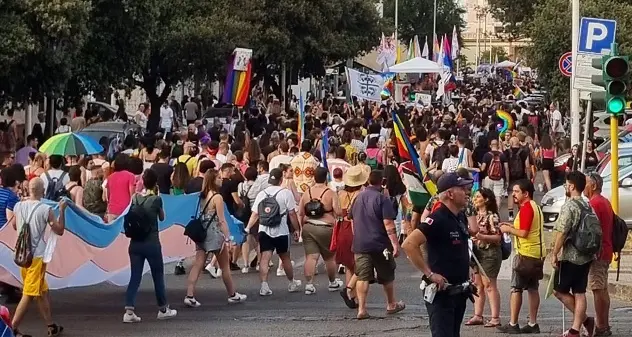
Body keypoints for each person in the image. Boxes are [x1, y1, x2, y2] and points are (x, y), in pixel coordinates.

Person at [402, 172, 473, 337]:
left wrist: (469, 268)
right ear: (450, 194)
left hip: (459, 292)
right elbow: (409, 244)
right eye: (462, 188)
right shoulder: (437, 218)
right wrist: (430, 274)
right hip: (442, 295)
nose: (467, 191)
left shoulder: (460, 216)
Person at [8, 178, 66, 337]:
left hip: (22, 255)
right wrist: (62, 210)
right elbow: (59, 230)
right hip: (36, 257)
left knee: (41, 291)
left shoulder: (18, 206)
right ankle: (11, 329)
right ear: (43, 190)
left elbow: (14, 226)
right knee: (29, 293)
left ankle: (51, 325)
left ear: (29, 190)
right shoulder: (46, 209)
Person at [184, 169, 247, 307]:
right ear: (213, 180)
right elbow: (221, 220)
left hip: (202, 233)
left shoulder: (202, 196)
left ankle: (190, 295)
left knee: (198, 264)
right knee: (225, 266)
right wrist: (228, 238)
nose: (221, 180)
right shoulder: (217, 197)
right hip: (214, 234)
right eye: (218, 177)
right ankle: (232, 294)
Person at [348, 170, 405, 319]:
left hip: (361, 243)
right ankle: (391, 304)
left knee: (362, 276)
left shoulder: (358, 198)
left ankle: (361, 309)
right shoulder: (382, 199)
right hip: (380, 244)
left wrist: (358, 236)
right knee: (387, 275)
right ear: (382, 181)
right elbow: (388, 223)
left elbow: (353, 221)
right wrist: (395, 245)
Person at [123, 169, 177, 323]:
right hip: (152, 243)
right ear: (156, 183)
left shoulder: (134, 198)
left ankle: (129, 310)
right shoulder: (156, 199)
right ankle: (163, 309)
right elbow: (161, 217)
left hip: (135, 243)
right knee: (157, 276)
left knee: (135, 276)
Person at [551, 171, 596, 337]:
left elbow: (562, 231)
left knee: (559, 290)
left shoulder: (569, 206)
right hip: (587, 253)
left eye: (566, 185)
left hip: (571, 255)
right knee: (580, 291)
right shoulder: (587, 204)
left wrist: (554, 253)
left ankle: (582, 323)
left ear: (571, 186)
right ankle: (577, 328)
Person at [245, 168, 302, 296]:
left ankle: (264, 286)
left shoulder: (262, 193)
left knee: (265, 257)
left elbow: (255, 214)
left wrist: (248, 228)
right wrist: (297, 229)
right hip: (281, 230)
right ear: (281, 179)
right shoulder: (285, 193)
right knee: (285, 257)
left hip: (264, 229)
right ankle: (291, 282)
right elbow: (292, 214)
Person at [497, 179, 544, 334]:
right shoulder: (535, 207)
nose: (514, 195)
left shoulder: (526, 209)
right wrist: (511, 227)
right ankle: (532, 323)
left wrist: (507, 230)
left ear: (526, 193)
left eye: (517, 192)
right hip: (536, 253)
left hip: (525, 254)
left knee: (516, 288)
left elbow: (523, 233)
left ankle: (513, 323)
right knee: (532, 288)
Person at [298, 167, 344, 295]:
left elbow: (301, 212)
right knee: (329, 258)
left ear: (314, 177)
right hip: (326, 227)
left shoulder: (307, 192)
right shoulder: (330, 192)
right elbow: (338, 211)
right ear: (326, 177)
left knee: (311, 257)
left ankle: (309, 284)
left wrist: (301, 228)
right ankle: (332, 282)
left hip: (309, 226)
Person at [465, 188, 502, 328]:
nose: (475, 198)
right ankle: (478, 315)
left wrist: (482, 236)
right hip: (476, 252)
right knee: (478, 284)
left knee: (490, 285)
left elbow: (498, 237)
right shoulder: (474, 215)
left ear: (486, 200)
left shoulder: (492, 217)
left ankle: (495, 317)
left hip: (489, 253)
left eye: (478, 196)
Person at [584, 173, 613, 336]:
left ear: (593, 186)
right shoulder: (604, 201)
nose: (584, 186)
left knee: (598, 289)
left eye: (587, 183)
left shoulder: (594, 203)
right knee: (602, 289)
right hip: (605, 251)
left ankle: (601, 326)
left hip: (599, 254)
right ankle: (604, 325)